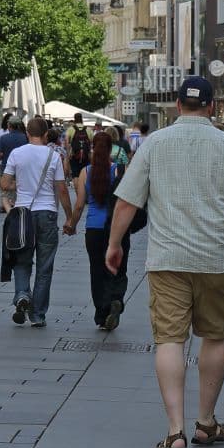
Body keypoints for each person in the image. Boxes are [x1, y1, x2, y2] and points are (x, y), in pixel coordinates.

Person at [106, 76, 224, 448]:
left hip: (167, 259)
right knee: (216, 336)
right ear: (212, 107)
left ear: (178, 106)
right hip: (216, 259)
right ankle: (206, 422)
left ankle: (175, 431)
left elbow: (127, 202)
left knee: (169, 340)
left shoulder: (154, 144)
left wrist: (115, 244)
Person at [2, 114, 74, 329]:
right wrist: (70, 218)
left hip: (23, 213)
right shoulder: (53, 156)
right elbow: (61, 189)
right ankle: (37, 314)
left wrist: (21, 185)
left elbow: (4, 183)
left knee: (22, 260)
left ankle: (23, 294)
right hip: (47, 214)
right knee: (45, 266)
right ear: (45, 135)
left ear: (26, 133)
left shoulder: (17, 153)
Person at [75, 130, 129, 330]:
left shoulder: (85, 172)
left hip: (94, 229)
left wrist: (71, 224)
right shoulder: (118, 171)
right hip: (116, 228)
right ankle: (116, 298)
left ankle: (102, 312)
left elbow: (80, 204)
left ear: (92, 148)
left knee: (96, 271)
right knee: (118, 267)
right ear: (111, 149)